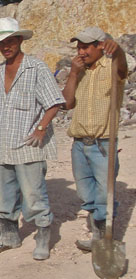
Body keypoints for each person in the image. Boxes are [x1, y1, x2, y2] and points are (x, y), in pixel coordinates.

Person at [0, 17, 65, 260]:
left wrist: (41, 128)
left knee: (33, 194)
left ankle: (43, 235)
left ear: (19, 40)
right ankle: (8, 235)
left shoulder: (36, 68)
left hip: (29, 143)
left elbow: (54, 102)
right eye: (2, 42)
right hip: (4, 144)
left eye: (10, 40)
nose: (5, 45)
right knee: (4, 194)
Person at [61, 27, 128, 252]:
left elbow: (122, 67)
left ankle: (103, 239)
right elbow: (67, 103)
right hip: (79, 143)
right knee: (86, 193)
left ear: (100, 46)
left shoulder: (111, 67)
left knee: (103, 193)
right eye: (78, 47)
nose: (81, 52)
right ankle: (97, 233)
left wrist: (117, 51)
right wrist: (72, 74)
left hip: (103, 143)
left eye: (85, 47)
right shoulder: (78, 72)